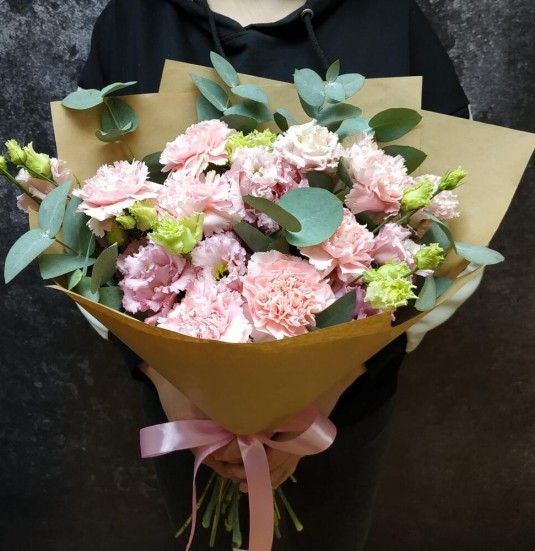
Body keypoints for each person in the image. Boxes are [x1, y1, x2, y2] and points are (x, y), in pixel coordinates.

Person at [78, 1, 482, 549]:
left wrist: (330, 386)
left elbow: (455, 224)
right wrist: (171, 382)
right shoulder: (135, 18)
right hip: (182, 410)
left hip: (346, 407)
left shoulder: (390, 18)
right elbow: (87, 219)